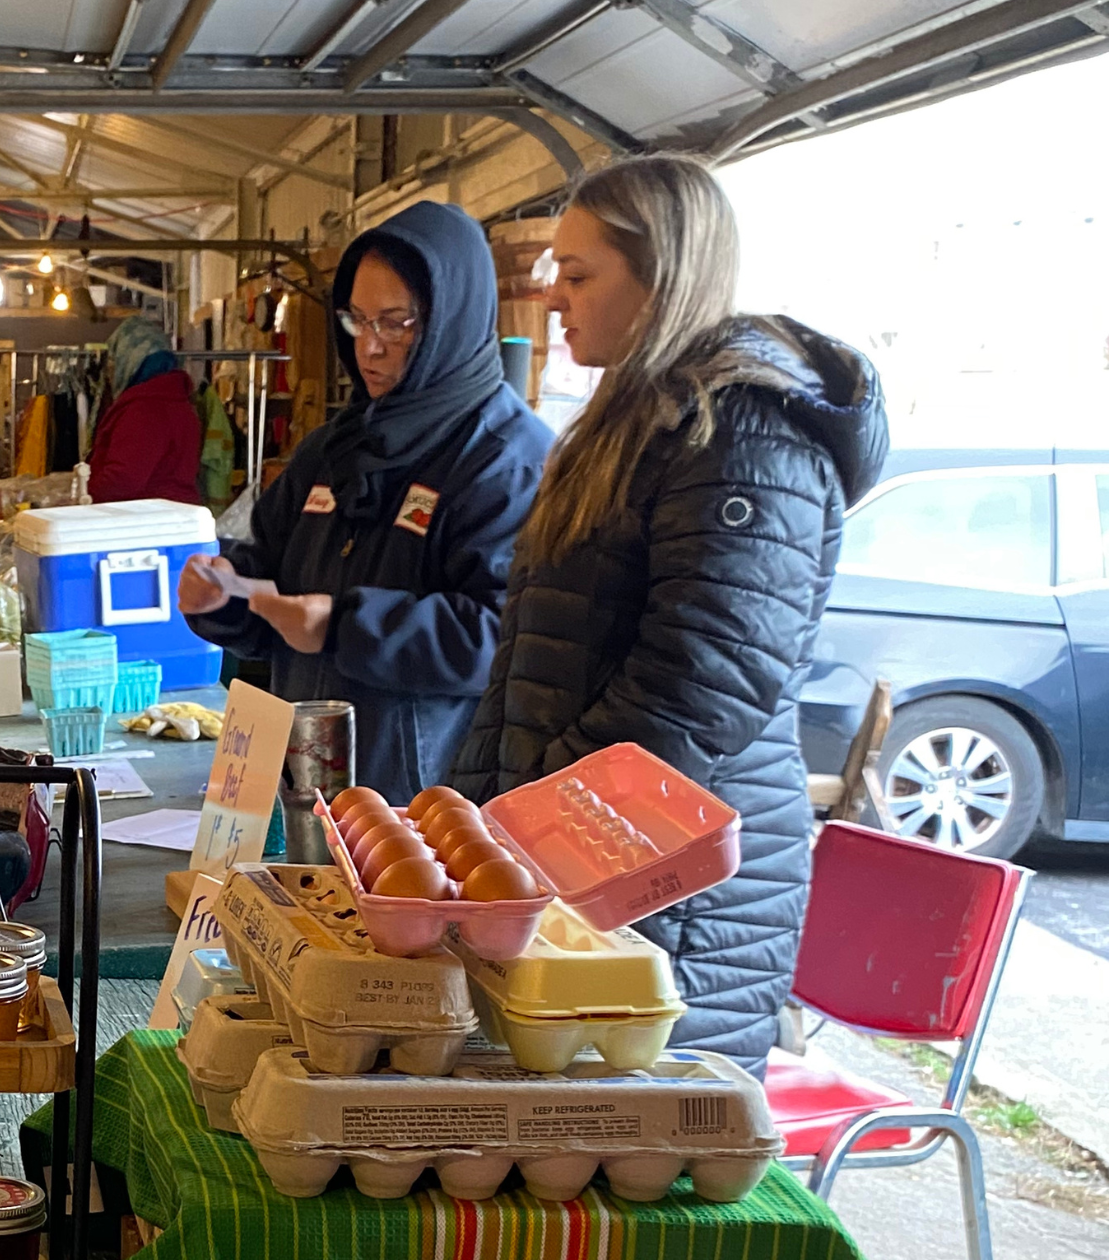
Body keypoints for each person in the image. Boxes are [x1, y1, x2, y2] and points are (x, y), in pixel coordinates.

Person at [449, 155, 888, 1078]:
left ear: (663, 276)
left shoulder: (742, 437)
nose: (555, 298)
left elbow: (698, 689)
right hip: (586, 869)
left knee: (633, 1169)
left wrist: (533, 829)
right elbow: (537, 659)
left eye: (579, 275)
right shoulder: (629, 421)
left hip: (672, 895)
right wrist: (479, 819)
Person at [180, 202, 552, 802]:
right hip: (301, 783)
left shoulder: (507, 460)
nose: (370, 349)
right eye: (357, 321)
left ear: (449, 319)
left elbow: (504, 637)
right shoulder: (337, 446)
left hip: (423, 805)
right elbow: (271, 573)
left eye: (395, 323)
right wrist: (224, 593)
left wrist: (345, 627)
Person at [85, 316, 203, 504]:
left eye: (115, 360)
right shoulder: (176, 400)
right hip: (170, 517)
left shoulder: (145, 409)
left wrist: (83, 497)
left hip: (143, 522)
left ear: (130, 360)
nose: (111, 370)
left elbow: (123, 480)